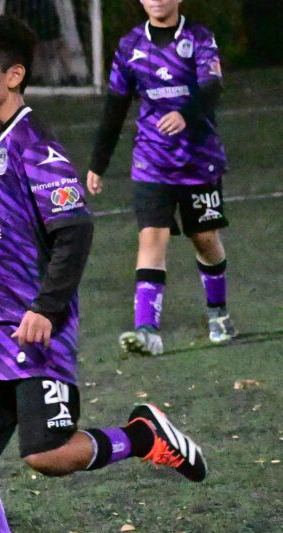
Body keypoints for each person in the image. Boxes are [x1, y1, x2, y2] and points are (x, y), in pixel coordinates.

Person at [0, 16, 207, 533]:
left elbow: (74, 232)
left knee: (48, 457)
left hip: (35, 331)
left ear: (14, 75)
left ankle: (139, 435)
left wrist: (47, 309)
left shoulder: (37, 148)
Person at [87, 0, 234, 355]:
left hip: (199, 162)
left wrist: (185, 114)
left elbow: (212, 88)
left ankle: (218, 312)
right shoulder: (129, 46)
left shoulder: (199, 39)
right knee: (152, 238)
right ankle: (147, 330)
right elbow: (115, 107)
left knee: (205, 239)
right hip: (151, 163)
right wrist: (98, 163)